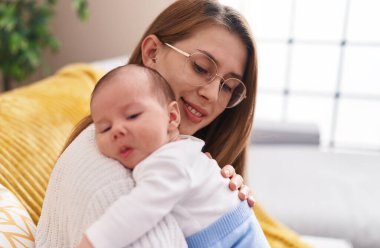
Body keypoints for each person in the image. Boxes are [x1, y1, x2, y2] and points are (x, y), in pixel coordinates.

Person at [37, 0, 309, 247]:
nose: (212, 95)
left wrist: (217, 202)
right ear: (152, 52)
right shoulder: (114, 178)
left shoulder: (171, 153)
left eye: (228, 87)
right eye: (201, 67)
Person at [75, 64, 269, 248]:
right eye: (104, 128)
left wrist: (93, 241)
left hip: (233, 239)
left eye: (133, 115)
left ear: (171, 117)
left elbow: (142, 206)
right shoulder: (175, 152)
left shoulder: (168, 158)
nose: (117, 130)